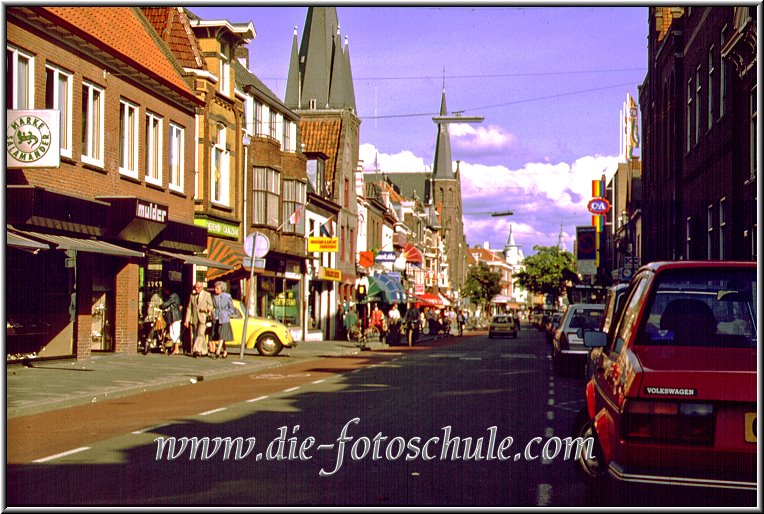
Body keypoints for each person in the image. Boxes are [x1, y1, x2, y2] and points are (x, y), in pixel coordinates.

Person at [184, 281, 213, 357]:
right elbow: (189, 308)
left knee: (200, 333)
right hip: (195, 318)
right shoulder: (192, 296)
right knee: (201, 334)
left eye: (198, 288)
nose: (196, 289)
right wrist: (186, 320)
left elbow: (211, 306)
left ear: (202, 287)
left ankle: (196, 349)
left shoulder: (207, 295)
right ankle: (204, 351)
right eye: (195, 287)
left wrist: (206, 309)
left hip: (203, 317)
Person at [210, 281, 235, 358]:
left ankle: (218, 351)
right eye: (215, 288)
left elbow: (231, 309)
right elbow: (213, 307)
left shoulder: (227, 296)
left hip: (224, 319)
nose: (215, 289)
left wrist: (226, 313)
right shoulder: (213, 297)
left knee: (222, 334)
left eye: (217, 288)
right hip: (216, 317)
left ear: (222, 288)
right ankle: (225, 351)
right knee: (220, 335)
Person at [161, 286, 183, 355]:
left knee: (175, 332)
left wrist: (161, 305)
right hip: (173, 317)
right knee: (172, 332)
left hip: (175, 317)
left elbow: (166, 304)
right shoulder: (174, 296)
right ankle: (175, 348)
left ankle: (176, 349)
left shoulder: (173, 296)